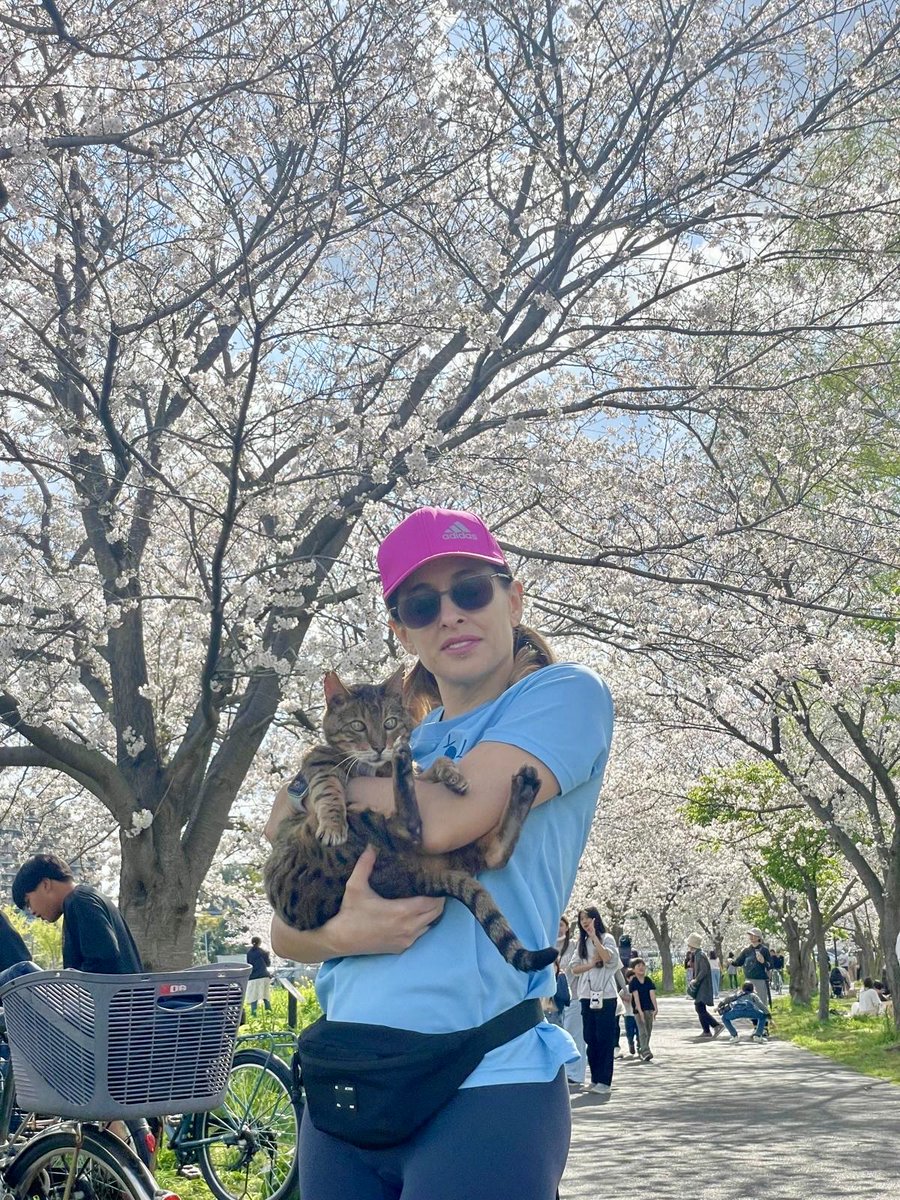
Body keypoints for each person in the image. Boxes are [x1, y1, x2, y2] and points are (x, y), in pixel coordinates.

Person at [265, 505, 614, 1200]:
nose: (450, 614)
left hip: (482, 1078)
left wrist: (317, 788)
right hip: (349, 1083)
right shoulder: (404, 745)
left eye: (471, 591)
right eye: (423, 604)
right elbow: (284, 930)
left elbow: (445, 819)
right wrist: (344, 933)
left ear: (513, 597)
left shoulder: (563, 695)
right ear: (402, 631)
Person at [11, 853, 142, 973]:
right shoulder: (84, 898)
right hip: (120, 995)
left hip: (111, 997)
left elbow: (102, 960)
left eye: (28, 902)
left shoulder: (80, 901)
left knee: (19, 972)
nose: (32, 911)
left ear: (45, 884)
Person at [571, 910, 620, 1101]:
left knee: (604, 1038)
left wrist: (594, 938)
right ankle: (596, 1078)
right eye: (581, 920)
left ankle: (605, 1082)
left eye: (587, 919)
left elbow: (609, 959)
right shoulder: (581, 944)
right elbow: (574, 968)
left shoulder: (607, 938)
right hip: (586, 995)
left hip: (605, 996)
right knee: (590, 1037)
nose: (584, 922)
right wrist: (591, 964)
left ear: (595, 919)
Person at [557, 916, 587, 1088]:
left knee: (575, 1035)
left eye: (561, 925)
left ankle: (576, 1074)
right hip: (552, 999)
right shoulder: (548, 946)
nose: (559, 929)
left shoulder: (575, 945)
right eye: (556, 925)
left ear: (567, 927)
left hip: (574, 996)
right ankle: (561, 1072)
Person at [686, 933, 724, 1039]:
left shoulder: (700, 955)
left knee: (699, 1007)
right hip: (702, 985)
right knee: (699, 1007)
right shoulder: (697, 954)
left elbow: (703, 970)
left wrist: (696, 980)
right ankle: (706, 1031)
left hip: (703, 985)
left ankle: (716, 1025)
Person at [628, 958, 658, 1061]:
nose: (641, 968)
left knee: (648, 1030)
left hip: (649, 1008)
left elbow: (652, 994)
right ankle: (646, 1051)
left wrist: (656, 1008)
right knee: (642, 1031)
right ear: (633, 970)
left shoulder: (648, 980)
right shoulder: (634, 982)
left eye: (642, 965)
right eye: (638, 966)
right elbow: (636, 997)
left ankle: (641, 1047)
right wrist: (639, 1011)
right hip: (638, 1010)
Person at [732, 928, 772, 1006]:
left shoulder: (764, 950)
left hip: (760, 980)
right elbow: (739, 962)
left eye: (754, 935)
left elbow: (770, 965)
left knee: (761, 1002)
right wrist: (731, 962)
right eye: (750, 935)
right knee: (749, 1003)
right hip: (748, 980)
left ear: (759, 937)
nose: (752, 937)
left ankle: (763, 1017)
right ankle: (752, 1018)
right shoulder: (746, 950)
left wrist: (763, 961)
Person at [246, 936, 273, 1016]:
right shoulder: (263, 952)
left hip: (253, 977)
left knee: (253, 997)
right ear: (260, 942)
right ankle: (269, 1013)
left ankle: (254, 1014)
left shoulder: (249, 953)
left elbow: (249, 964)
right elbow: (268, 964)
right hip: (264, 976)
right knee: (266, 996)